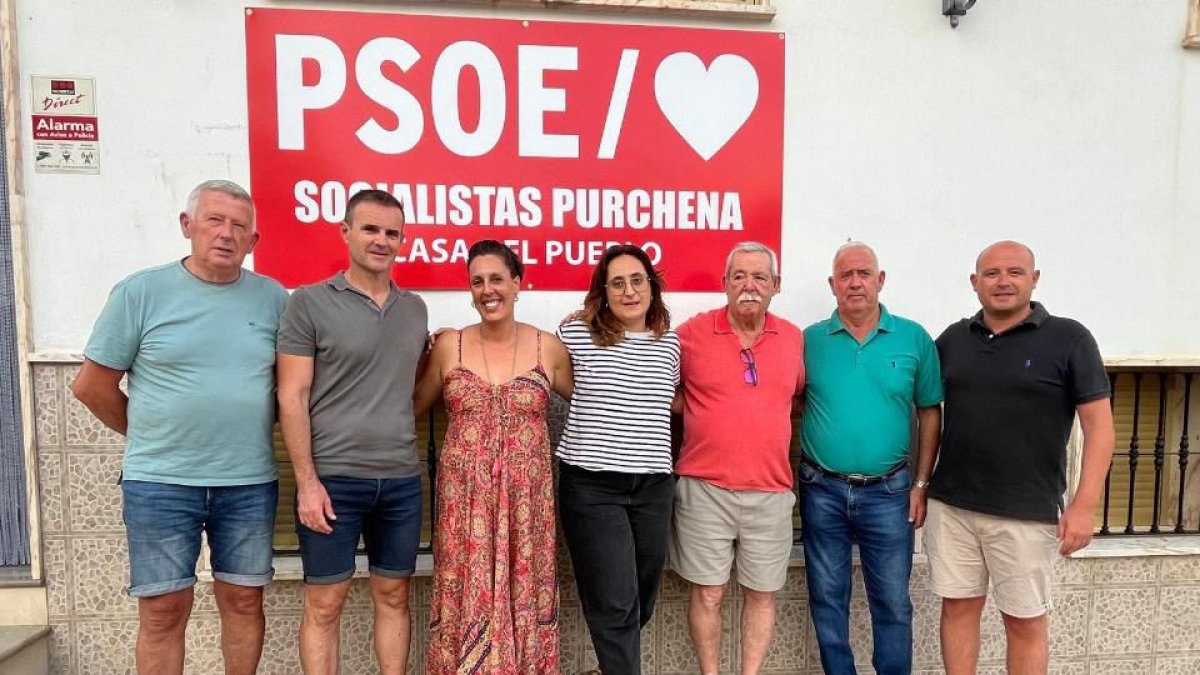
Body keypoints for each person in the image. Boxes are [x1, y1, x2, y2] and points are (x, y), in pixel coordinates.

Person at [73, 180, 287, 675]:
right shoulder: (140, 293)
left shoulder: (275, 299)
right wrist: (149, 435)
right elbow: (90, 386)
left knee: (243, 602)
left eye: (240, 226)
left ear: (254, 241)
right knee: (164, 609)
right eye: (214, 220)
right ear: (187, 226)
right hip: (160, 485)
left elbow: (290, 387)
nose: (226, 234)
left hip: (248, 483)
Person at [927, 241, 1115, 675]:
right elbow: (928, 414)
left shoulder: (1069, 339)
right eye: (991, 273)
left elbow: (1100, 427)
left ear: (1034, 279)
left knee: (1025, 622)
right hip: (953, 505)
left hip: (1026, 513)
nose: (1003, 282)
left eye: (1014, 272)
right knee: (957, 609)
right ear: (975, 283)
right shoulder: (953, 340)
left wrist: (1084, 506)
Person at [275, 189, 427, 675]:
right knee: (325, 601)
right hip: (333, 481)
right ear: (346, 233)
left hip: (401, 481)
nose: (381, 241)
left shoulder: (415, 309)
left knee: (394, 594)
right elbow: (291, 396)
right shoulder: (309, 303)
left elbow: (410, 385)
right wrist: (308, 483)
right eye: (370, 229)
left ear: (403, 240)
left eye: (392, 232)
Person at [414, 239, 573, 674]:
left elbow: (594, 409)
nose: (488, 290)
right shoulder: (452, 348)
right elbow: (412, 405)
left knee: (526, 591)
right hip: (466, 507)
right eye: (477, 281)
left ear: (518, 284)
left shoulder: (549, 349)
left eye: (497, 279)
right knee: (466, 592)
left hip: (528, 506)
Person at [798, 241, 943, 675]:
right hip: (821, 488)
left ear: (881, 280)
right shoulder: (808, 342)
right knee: (827, 598)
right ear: (832, 285)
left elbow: (930, 411)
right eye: (846, 275)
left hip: (890, 492)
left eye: (864, 273)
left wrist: (921, 483)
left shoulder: (913, 338)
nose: (855, 282)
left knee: (893, 603)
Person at [669, 241, 805, 675]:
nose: (749, 285)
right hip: (704, 489)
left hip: (770, 491)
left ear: (776, 286)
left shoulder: (793, 338)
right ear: (724, 283)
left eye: (760, 277)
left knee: (762, 593)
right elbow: (659, 385)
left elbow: (797, 396)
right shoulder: (691, 333)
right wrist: (698, 409)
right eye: (739, 276)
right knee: (708, 592)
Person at [556, 244, 680, 675]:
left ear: (652, 286)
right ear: (602, 292)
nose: (629, 291)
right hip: (592, 485)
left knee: (641, 595)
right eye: (617, 283)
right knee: (614, 598)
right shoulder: (574, 334)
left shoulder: (671, 342)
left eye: (637, 280)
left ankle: (612, 663)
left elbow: (674, 401)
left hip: (652, 485)